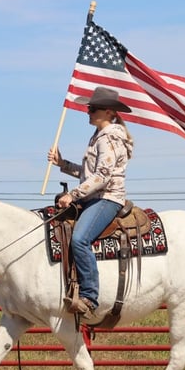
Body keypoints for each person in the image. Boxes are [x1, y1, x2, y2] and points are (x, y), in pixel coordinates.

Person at [47, 86, 134, 319]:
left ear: (108, 112)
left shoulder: (109, 137)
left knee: (80, 238)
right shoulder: (100, 136)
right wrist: (63, 164)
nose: (88, 111)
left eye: (92, 108)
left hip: (107, 198)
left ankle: (89, 296)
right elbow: (89, 175)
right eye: (88, 107)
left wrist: (72, 195)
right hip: (94, 196)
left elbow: (102, 177)